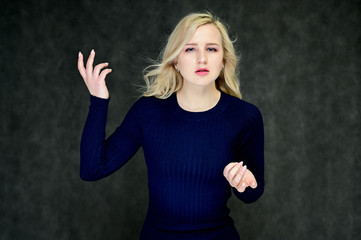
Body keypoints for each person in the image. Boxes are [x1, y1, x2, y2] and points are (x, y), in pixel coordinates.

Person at [77, 12, 264, 240]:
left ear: (223, 59)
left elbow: (253, 192)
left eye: (211, 49)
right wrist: (98, 100)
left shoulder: (245, 116)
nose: (202, 59)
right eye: (190, 49)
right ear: (176, 59)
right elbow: (92, 169)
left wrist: (245, 183)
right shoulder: (148, 112)